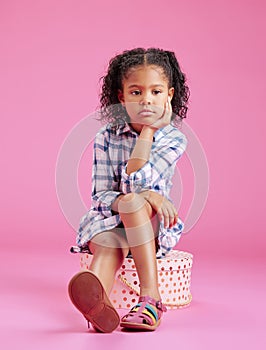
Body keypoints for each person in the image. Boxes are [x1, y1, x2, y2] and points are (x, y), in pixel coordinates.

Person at [68, 47, 190, 332]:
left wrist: (147, 133)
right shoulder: (106, 137)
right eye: (136, 92)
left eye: (156, 92)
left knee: (135, 203)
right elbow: (101, 196)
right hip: (112, 221)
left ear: (169, 96)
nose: (147, 99)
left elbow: (139, 183)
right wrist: (140, 196)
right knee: (110, 243)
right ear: (122, 98)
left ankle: (151, 298)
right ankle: (99, 306)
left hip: (150, 224)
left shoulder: (172, 139)